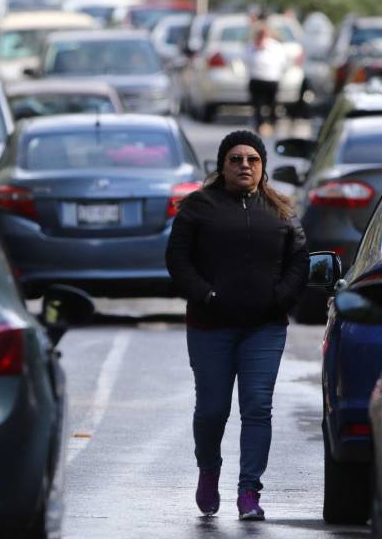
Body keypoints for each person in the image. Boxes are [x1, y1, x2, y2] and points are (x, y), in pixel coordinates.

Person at [165, 130, 309, 521]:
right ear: (222, 166)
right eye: (236, 159)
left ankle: (249, 493)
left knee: (258, 408)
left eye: (253, 159)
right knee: (212, 410)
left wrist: (281, 298)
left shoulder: (280, 210)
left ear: (262, 168)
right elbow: (178, 261)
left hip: (263, 328)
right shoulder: (198, 207)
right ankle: (208, 468)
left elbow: (300, 260)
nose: (244, 165)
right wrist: (206, 295)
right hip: (211, 327)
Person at [246, 24, 287, 137]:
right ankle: (260, 125)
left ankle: (272, 124)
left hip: (271, 79)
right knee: (257, 105)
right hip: (256, 79)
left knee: (272, 104)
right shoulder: (252, 46)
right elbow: (247, 59)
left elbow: (282, 62)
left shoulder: (274, 46)